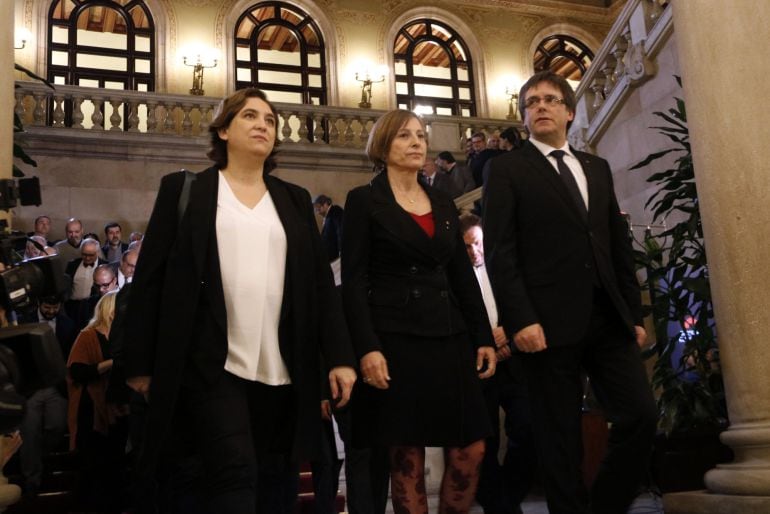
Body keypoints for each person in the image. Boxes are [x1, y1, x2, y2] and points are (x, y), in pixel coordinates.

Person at [123, 87, 357, 514]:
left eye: (269, 120)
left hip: (283, 365)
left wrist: (339, 357)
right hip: (211, 362)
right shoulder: (184, 191)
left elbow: (320, 287)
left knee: (276, 482)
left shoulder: (294, 199)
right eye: (250, 116)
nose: (262, 125)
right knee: (234, 472)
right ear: (224, 130)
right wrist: (139, 363)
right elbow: (150, 280)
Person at [483, 70, 657, 514]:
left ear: (569, 111)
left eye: (549, 99)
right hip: (543, 323)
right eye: (531, 102)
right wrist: (520, 319)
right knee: (558, 440)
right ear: (524, 117)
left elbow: (616, 245)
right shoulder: (506, 169)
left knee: (640, 415)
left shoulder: (595, 167)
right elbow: (502, 252)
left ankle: (605, 506)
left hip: (606, 317)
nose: (539, 107)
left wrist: (633, 315)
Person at [342, 109, 497, 514]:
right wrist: (367, 347)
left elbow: (462, 276)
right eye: (404, 136)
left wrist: (482, 336)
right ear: (383, 146)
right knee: (405, 456)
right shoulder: (363, 200)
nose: (416, 143)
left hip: (450, 336)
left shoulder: (443, 202)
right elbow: (354, 281)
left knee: (471, 447)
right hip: (395, 339)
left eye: (420, 136)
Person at [460, 215, 536, 514]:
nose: (474, 251)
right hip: (480, 368)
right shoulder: (456, 280)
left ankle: (509, 498)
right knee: (486, 443)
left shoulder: (504, 268)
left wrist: (510, 334)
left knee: (528, 430)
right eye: (467, 247)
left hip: (515, 363)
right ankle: (501, 507)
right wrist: (488, 345)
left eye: (477, 243)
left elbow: (524, 303)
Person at [66, 291, 125, 511]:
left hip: (116, 406)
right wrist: (110, 363)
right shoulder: (88, 335)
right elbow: (77, 372)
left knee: (113, 464)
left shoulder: (123, 335)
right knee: (92, 466)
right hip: (91, 407)